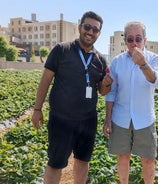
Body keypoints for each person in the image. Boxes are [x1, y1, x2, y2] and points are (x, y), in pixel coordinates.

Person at [31, 11, 113, 184]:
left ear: (99, 33)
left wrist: (106, 84)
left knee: (83, 161)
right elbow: (45, 80)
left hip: (88, 120)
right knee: (55, 163)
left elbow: (102, 91)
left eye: (95, 29)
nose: (90, 32)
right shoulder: (62, 50)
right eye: (87, 27)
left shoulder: (100, 60)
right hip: (61, 119)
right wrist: (37, 109)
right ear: (80, 27)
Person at [103, 21, 158, 184]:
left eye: (138, 38)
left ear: (145, 39)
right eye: (130, 39)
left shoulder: (154, 59)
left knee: (148, 160)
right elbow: (111, 92)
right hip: (120, 118)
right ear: (125, 41)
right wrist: (107, 119)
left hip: (144, 119)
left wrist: (143, 64)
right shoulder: (117, 62)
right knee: (123, 157)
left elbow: (156, 81)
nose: (134, 43)